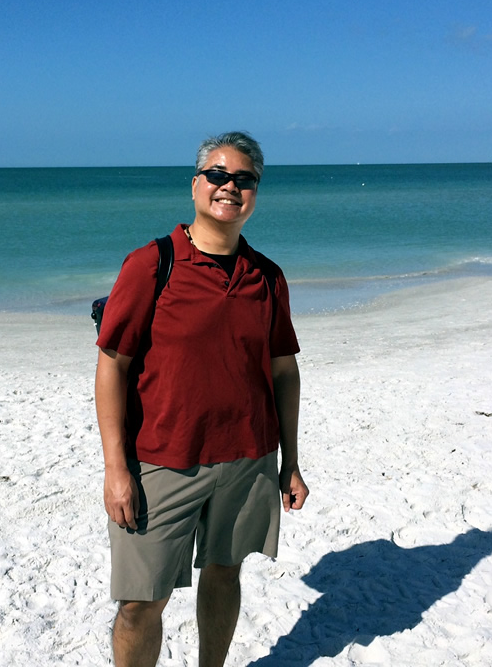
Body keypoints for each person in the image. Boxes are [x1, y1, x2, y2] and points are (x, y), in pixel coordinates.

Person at [95, 131, 309, 667]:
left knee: (225, 573)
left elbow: (284, 372)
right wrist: (116, 469)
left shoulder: (267, 277)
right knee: (141, 602)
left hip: (248, 459)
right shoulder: (152, 264)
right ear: (195, 185)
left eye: (244, 179)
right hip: (162, 460)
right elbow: (112, 366)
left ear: (255, 193)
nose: (229, 186)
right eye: (217, 175)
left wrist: (291, 461)